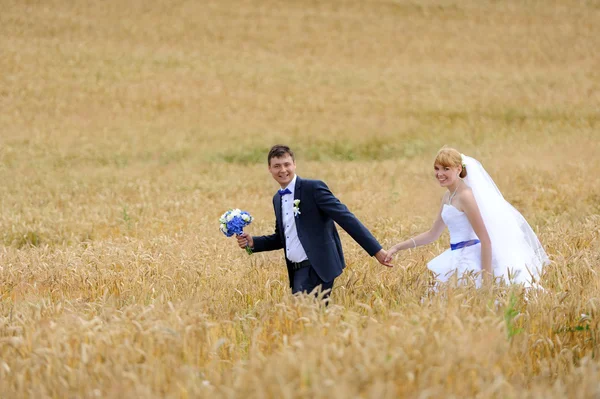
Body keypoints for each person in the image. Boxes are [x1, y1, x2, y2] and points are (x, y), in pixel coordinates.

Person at [236, 144, 392, 299]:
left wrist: (376, 251)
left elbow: (346, 218)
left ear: (294, 165)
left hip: (318, 268)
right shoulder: (277, 199)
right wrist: (253, 243)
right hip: (297, 271)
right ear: (269, 169)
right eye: (277, 166)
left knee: (304, 317)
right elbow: (283, 238)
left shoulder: (313, 188)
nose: (283, 170)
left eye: (286, 164)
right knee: (305, 320)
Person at [385, 147, 549, 287]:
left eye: (446, 169)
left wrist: (486, 280)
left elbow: (485, 239)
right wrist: (397, 247)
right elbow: (432, 234)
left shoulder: (466, 196)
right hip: (454, 256)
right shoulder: (447, 196)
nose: (440, 174)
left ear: (458, 169)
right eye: (437, 168)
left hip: (470, 261)